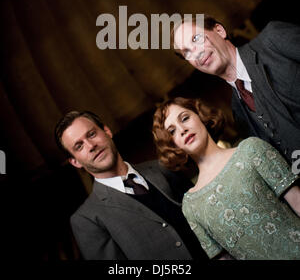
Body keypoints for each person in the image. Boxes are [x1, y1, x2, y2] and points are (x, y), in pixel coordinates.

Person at [152, 96, 300, 260]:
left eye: (185, 118)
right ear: (172, 145)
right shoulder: (191, 206)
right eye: (172, 131)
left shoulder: (252, 150)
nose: (182, 129)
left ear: (200, 116)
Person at [54, 110, 208, 260]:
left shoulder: (163, 167)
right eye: (79, 146)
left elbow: (205, 216)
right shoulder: (86, 219)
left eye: (92, 134)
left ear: (107, 131)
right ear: (75, 162)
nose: (90, 145)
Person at [172, 15, 300, 165]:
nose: (196, 53)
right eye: (186, 52)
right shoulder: (238, 113)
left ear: (219, 31)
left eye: (196, 39)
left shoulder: (273, 39)